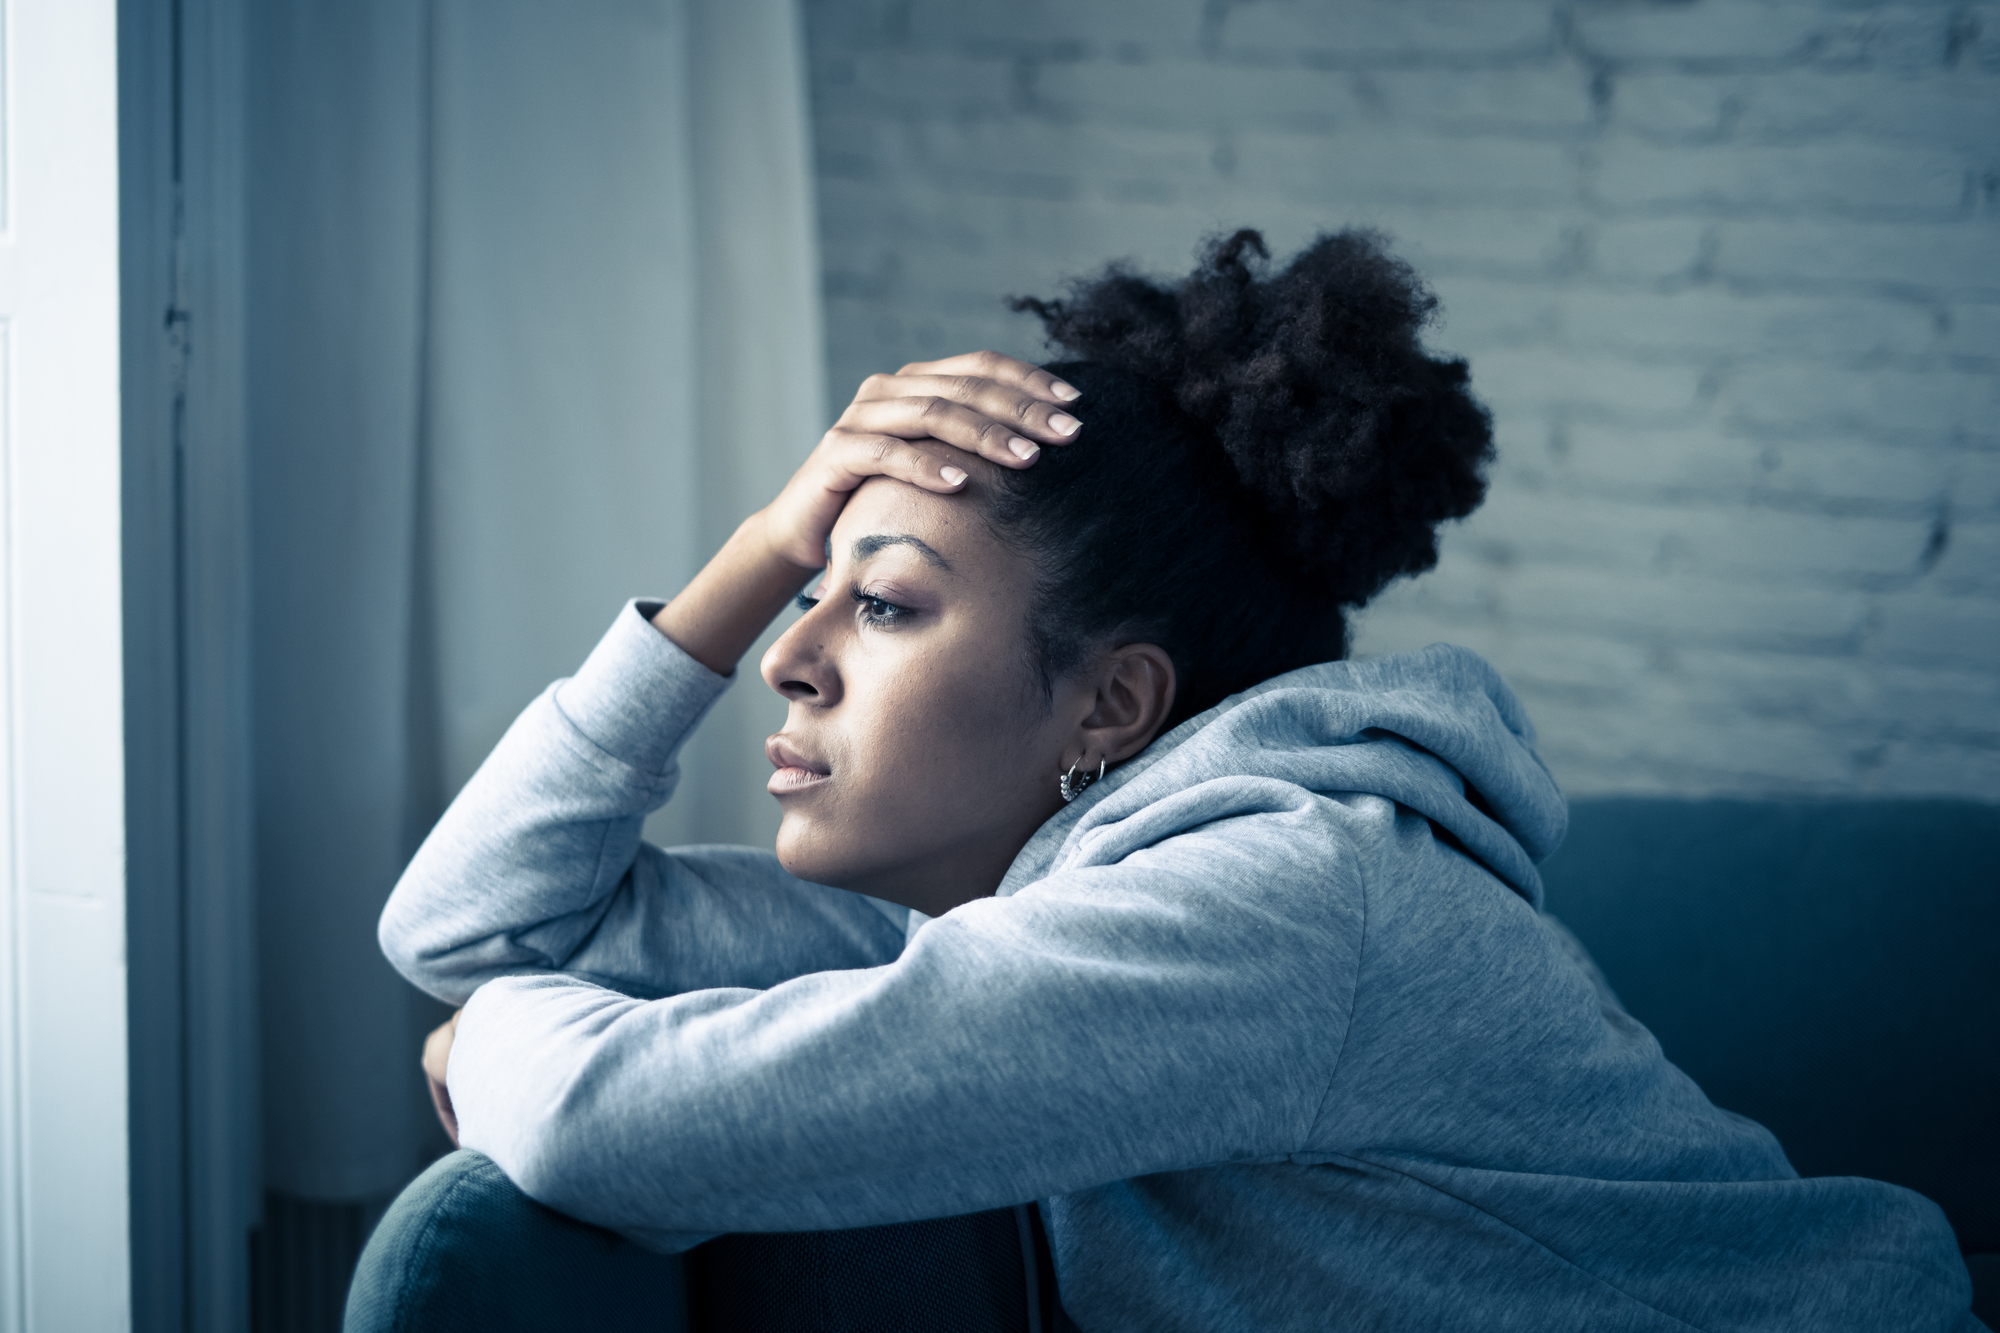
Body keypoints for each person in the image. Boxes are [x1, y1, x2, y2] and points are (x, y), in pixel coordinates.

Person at [349, 230, 1980, 1332]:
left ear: (1112, 703)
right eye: (805, 595)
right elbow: (469, 919)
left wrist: (478, 1047)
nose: (789, 652)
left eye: (889, 600)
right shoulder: (1007, 913)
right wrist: (762, 542)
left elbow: (588, 1108)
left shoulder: (1267, 905)